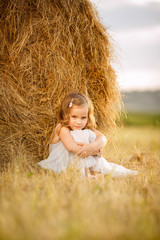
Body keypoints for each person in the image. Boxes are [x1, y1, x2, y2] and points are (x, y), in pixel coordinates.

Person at [38, 93, 138, 178]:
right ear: (65, 115)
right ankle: (88, 174)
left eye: (83, 117)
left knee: (88, 134)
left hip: (77, 161)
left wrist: (92, 147)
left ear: (88, 116)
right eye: (74, 117)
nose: (79, 122)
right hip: (61, 165)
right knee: (81, 137)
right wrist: (91, 152)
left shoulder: (85, 129)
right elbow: (71, 147)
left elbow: (103, 138)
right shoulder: (62, 128)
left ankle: (92, 172)